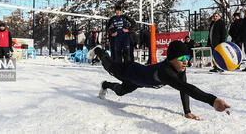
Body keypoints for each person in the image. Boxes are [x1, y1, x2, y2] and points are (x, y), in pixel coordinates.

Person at [87, 41, 231, 120]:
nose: (185, 62)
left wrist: (187, 111)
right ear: (171, 59)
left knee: (120, 92)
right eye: (181, 59)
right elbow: (188, 88)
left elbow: (183, 88)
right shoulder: (165, 72)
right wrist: (212, 100)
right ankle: (99, 50)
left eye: (187, 58)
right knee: (108, 66)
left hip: (138, 82)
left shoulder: (180, 68)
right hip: (129, 71)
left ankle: (105, 85)